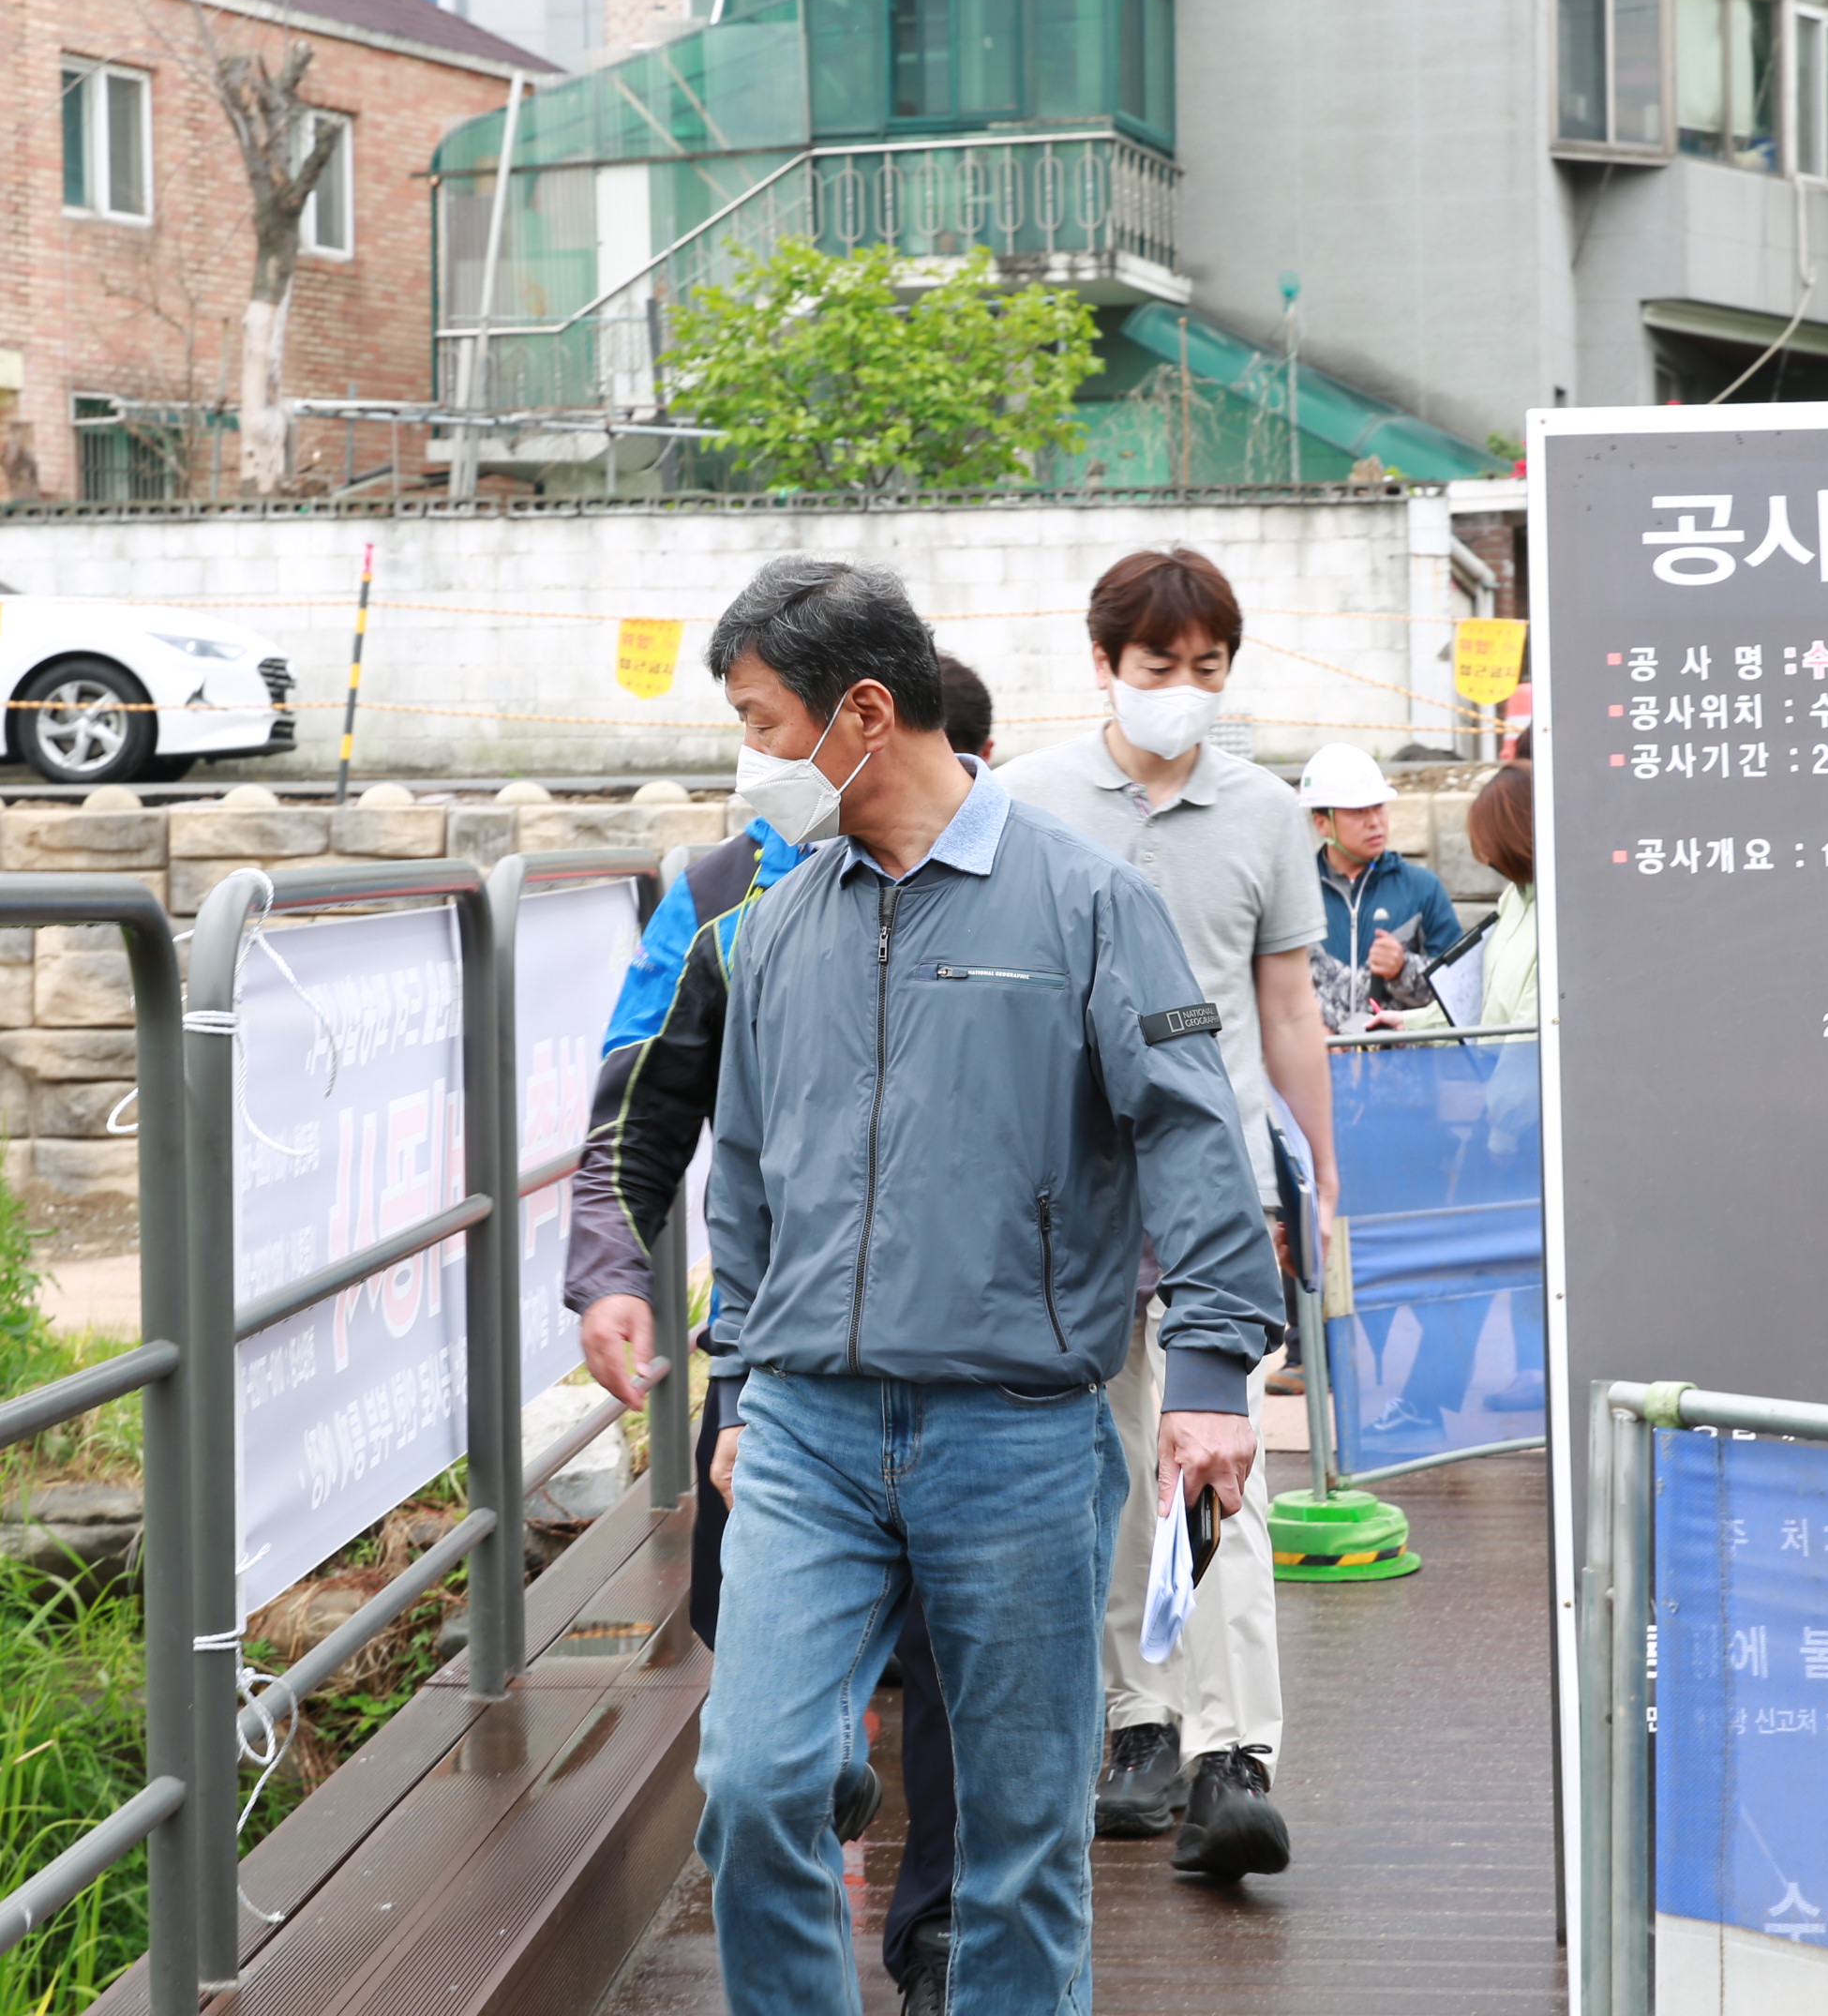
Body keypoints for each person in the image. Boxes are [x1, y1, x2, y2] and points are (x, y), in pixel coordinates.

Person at [690, 558, 1281, 2016]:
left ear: (865, 713)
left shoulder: (1089, 905)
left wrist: (1208, 1379)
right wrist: (738, 1383)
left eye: (765, 725)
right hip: (810, 1435)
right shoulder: (772, 927)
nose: (749, 761)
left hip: (1017, 1436)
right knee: (756, 1783)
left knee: (1021, 1848)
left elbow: (1193, 1132)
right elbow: (747, 1177)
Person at [561, 651, 1005, 2016]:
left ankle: (935, 1939)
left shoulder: (1034, 899)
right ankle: (821, 1797)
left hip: (977, 1375)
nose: (761, 755)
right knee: (747, 1642)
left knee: (952, 1668)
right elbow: (636, 1110)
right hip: (780, 1362)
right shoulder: (716, 900)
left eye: (766, 724)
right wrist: (609, 1270)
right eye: (753, 727)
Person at [996, 547, 1337, 1882]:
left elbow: (1290, 1006)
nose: (1183, 691)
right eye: (1159, 669)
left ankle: (1232, 1754)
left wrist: (1315, 1176)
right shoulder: (1023, 801)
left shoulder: (1263, 812)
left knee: (1223, 1464)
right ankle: (1140, 1731)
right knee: (1110, 1464)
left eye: (1207, 670)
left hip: (1214, 1197)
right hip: (1070, 1197)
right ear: (1104, 666)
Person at [1298, 743, 1466, 1025]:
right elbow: (1271, 988)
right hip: (1318, 1063)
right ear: (1322, 824)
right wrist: (1314, 1033)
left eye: (1379, 808)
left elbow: (1461, 989)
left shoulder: (1422, 887)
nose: (1375, 822)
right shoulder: (1296, 893)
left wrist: (1403, 969)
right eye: (1358, 812)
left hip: (1402, 1064)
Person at [1467, 760, 1538, 1029]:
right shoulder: (1513, 896)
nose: (1487, 860)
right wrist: (1409, 1024)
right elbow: (1482, 993)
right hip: (1491, 1061)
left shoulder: (1560, 917)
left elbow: (1526, 1045)